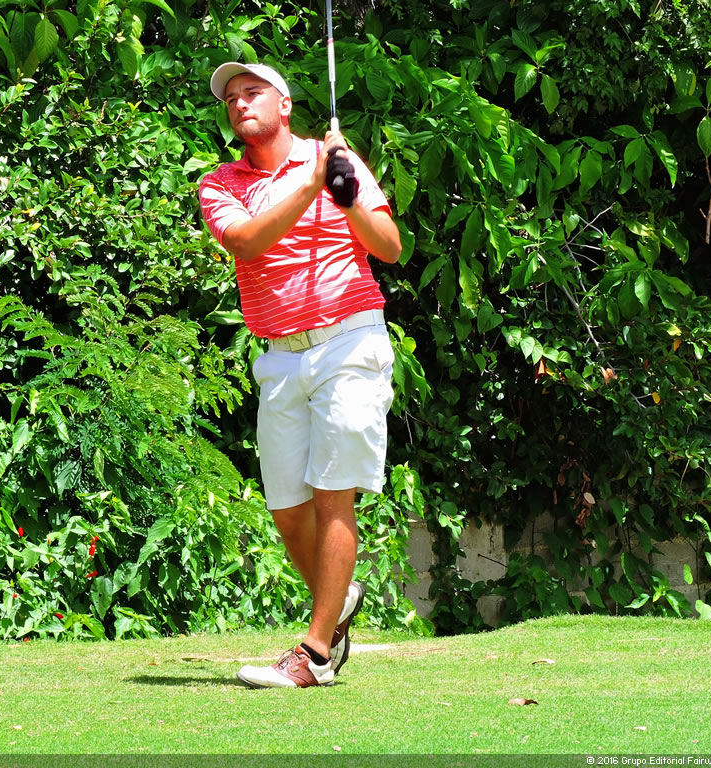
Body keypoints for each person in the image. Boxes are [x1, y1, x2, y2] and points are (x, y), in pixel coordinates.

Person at [198, 62, 402, 688]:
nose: (240, 104)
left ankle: (315, 654)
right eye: (232, 98)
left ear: (284, 104)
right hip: (281, 354)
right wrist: (313, 184)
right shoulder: (220, 183)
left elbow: (389, 246)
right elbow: (246, 241)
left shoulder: (335, 160)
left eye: (252, 92)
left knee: (332, 492)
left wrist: (344, 195)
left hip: (349, 340)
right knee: (288, 508)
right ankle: (338, 601)